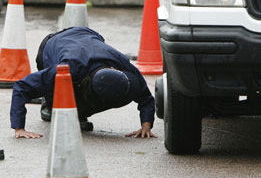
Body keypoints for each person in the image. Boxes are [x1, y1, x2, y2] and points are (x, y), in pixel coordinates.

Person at [10, 27, 157, 139]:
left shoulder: (124, 66)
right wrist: (19, 128)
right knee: (55, 90)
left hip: (90, 35)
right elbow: (22, 87)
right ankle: (49, 104)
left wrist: (146, 125)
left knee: (80, 104)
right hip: (52, 43)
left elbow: (146, 97)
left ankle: (78, 110)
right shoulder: (67, 69)